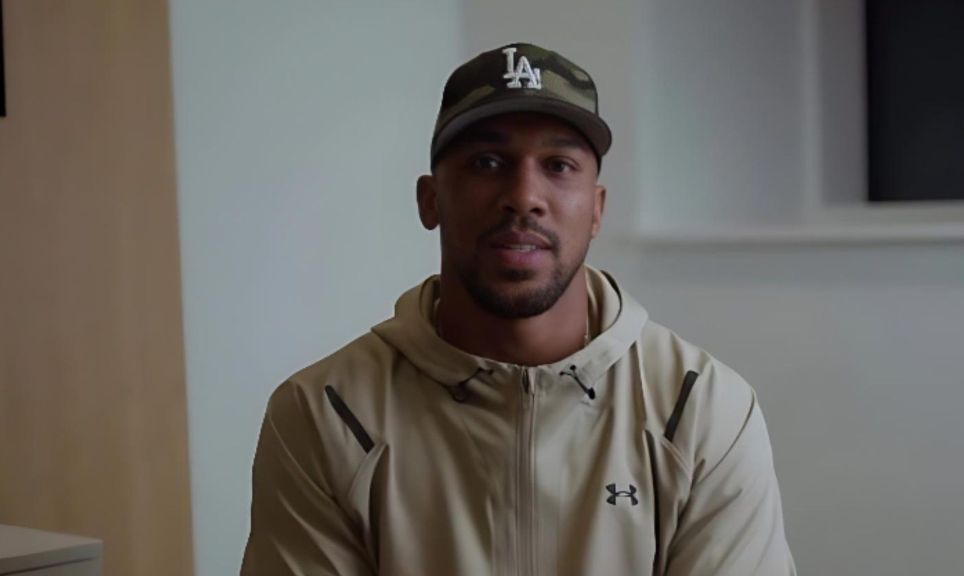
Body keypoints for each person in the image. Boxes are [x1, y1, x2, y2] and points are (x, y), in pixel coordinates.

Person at [241, 42, 796, 575]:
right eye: (487, 162)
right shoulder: (327, 415)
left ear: (596, 209)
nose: (524, 195)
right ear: (430, 200)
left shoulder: (699, 409)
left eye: (558, 165)